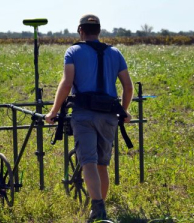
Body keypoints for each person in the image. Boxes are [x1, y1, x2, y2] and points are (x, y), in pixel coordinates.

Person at [45, 14, 133, 222]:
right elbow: (128, 86)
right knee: (102, 164)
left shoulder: (73, 51)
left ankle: (98, 209)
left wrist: (54, 111)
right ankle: (101, 211)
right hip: (109, 115)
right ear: (99, 31)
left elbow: (67, 84)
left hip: (84, 114)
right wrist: (125, 111)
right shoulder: (115, 52)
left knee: (89, 163)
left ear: (80, 30)